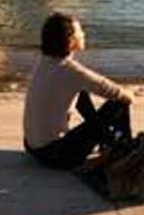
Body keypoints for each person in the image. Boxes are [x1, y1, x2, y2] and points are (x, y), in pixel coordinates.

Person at [22, 12, 134, 170]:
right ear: (70, 41)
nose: (83, 34)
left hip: (31, 146)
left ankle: (107, 141)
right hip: (56, 154)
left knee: (80, 91)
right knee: (120, 103)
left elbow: (88, 86)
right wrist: (129, 94)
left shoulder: (44, 60)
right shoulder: (70, 70)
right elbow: (113, 91)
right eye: (80, 30)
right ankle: (123, 148)